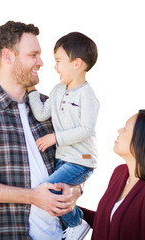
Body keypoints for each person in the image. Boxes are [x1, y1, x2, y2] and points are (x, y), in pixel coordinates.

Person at [0, 21, 82, 240]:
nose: (41, 62)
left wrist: (76, 189)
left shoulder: (51, 107)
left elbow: (78, 157)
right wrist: (32, 197)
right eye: (33, 55)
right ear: (8, 56)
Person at [27, 32, 99, 240]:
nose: (55, 67)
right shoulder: (57, 91)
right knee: (58, 194)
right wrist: (31, 91)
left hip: (82, 160)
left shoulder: (87, 95)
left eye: (59, 61)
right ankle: (74, 222)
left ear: (77, 63)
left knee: (46, 190)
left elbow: (86, 129)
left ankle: (77, 223)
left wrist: (55, 138)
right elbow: (41, 113)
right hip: (64, 159)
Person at [80, 110, 145, 240]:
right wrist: (69, 208)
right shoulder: (120, 173)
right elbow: (108, 222)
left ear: (142, 140)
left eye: (125, 128)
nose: (119, 130)